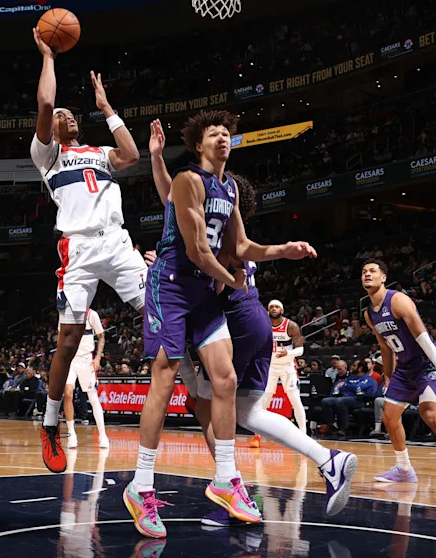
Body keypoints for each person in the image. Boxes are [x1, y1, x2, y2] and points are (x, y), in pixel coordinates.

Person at [124, 110, 316, 538]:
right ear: (198, 144)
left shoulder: (228, 187)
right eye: (214, 133)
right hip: (172, 286)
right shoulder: (188, 180)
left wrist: (284, 249)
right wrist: (236, 281)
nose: (223, 138)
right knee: (166, 375)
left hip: (203, 293)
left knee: (225, 379)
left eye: (227, 133)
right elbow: (196, 251)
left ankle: (226, 479)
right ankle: (140, 486)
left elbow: (242, 245)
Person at [145, 141, 355, 523]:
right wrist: (157, 159)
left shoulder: (221, 238)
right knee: (248, 412)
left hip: (237, 322)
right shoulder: (217, 226)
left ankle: (229, 492)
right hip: (254, 321)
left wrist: (176, 262)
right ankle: (328, 460)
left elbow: (222, 282)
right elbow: (171, 201)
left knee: (208, 404)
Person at [30, 29, 145, 473]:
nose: (67, 116)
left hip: (115, 241)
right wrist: (48, 58)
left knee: (157, 308)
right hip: (76, 248)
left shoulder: (98, 151)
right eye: (63, 115)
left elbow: (132, 154)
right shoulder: (49, 157)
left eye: (72, 114)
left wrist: (106, 108)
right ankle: (50, 422)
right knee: (68, 340)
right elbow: (44, 104)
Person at [362, 260, 436, 495]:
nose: (367, 274)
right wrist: (387, 376)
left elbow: (423, 336)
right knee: (389, 416)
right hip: (404, 369)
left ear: (383, 277)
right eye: (364, 272)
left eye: (372, 271)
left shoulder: (398, 300)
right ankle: (404, 469)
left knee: (430, 415)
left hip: (426, 364)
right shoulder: (369, 314)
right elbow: (385, 348)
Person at [62, 307, 109, 449]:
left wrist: (98, 358)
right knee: (68, 393)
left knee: (93, 398)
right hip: (70, 359)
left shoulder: (91, 314)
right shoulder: (65, 315)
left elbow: (101, 337)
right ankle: (72, 434)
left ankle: (102, 435)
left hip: (86, 359)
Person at [260, 300, 306, 433]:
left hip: (287, 367)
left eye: (277, 307)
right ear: (268, 310)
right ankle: (257, 435)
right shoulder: (264, 325)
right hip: (270, 367)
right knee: (264, 401)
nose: (274, 309)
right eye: (271, 307)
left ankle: (303, 434)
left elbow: (300, 350)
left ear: (282, 310)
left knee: (295, 400)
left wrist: (288, 352)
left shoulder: (291, 326)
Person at [319, 360, 377, 439]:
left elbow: (357, 388)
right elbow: (342, 388)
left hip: (359, 400)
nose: (352, 367)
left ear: (360, 368)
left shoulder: (367, 379)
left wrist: (350, 386)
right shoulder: (351, 378)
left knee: (341, 401)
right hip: (346, 398)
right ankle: (332, 424)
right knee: (325, 401)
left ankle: (344, 428)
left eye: (354, 365)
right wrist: (351, 387)